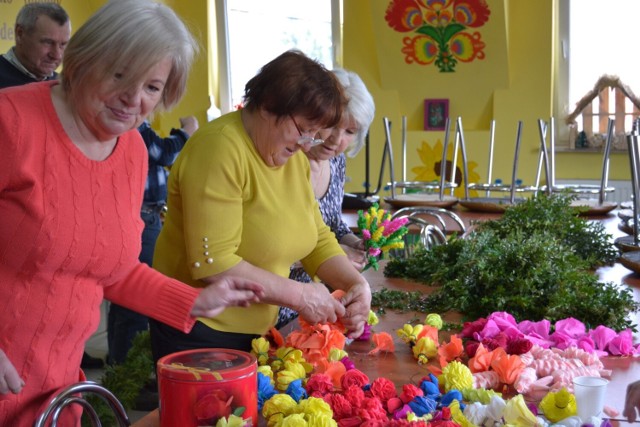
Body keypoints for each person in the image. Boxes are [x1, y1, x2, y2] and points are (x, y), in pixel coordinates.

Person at [0, 1, 263, 426]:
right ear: (86, 57)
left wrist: (196, 300)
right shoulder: (11, 120)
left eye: (152, 87)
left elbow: (113, 270)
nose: (133, 99)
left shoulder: (133, 153)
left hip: (56, 394)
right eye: (119, 74)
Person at [149, 50, 373, 363]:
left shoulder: (289, 155)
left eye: (314, 134)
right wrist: (301, 295)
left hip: (258, 332)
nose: (306, 144)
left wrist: (355, 284)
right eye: (302, 130)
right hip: (202, 331)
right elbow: (215, 263)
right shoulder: (220, 148)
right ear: (268, 106)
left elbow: (316, 236)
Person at [277, 68, 375, 328]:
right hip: (276, 300)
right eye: (332, 125)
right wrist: (332, 257)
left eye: (350, 131)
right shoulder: (284, 161)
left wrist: (355, 243)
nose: (336, 139)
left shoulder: (337, 163)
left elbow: (332, 223)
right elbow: (269, 246)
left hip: (313, 305)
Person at [107, 116, 199, 367]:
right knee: (134, 302)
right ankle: (126, 373)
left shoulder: (134, 121)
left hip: (146, 214)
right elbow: (164, 153)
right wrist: (186, 131)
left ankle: (117, 364)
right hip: (142, 215)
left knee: (124, 300)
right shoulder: (132, 119)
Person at [0, 2, 71, 89]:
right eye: (48, 42)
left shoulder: (63, 86)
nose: (57, 55)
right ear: (20, 34)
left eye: (63, 44)